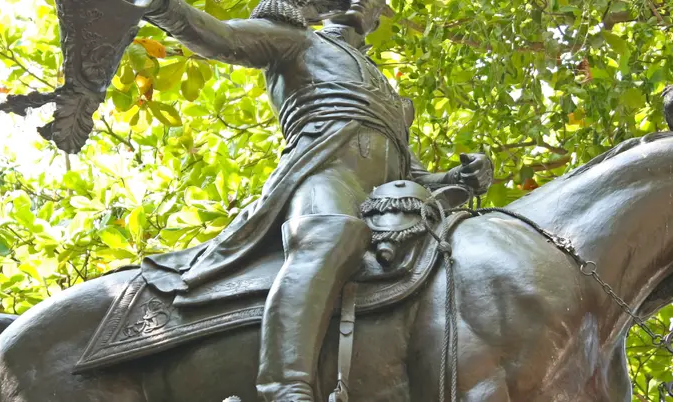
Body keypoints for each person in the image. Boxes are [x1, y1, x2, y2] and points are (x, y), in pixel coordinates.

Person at [138, 0, 494, 399]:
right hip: (323, 173)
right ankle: (285, 387)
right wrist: (159, 7)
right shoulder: (296, 39)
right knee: (329, 235)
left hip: (384, 200)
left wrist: (458, 178)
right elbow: (221, 38)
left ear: (376, 18)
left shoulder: (388, 93)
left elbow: (409, 171)